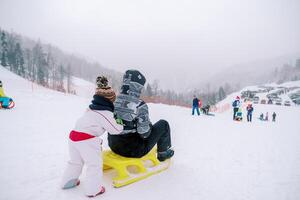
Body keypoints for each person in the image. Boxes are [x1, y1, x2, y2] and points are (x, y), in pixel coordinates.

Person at [61, 76, 123, 198]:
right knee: (94, 165)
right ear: (109, 101)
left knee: (75, 162)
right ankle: (93, 190)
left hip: (73, 136)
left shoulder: (90, 109)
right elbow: (115, 130)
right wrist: (119, 121)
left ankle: (68, 182)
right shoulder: (106, 113)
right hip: (86, 140)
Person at [108, 70, 174, 162]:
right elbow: (145, 134)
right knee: (163, 124)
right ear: (137, 87)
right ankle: (163, 154)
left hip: (113, 145)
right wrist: (149, 126)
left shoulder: (113, 101)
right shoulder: (139, 105)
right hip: (133, 150)